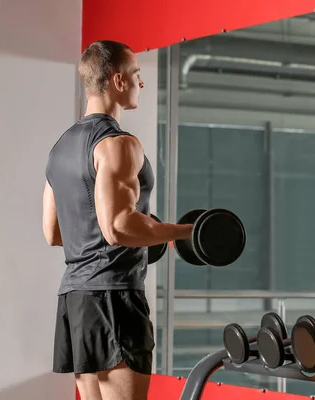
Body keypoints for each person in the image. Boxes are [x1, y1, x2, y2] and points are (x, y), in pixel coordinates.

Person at [42, 40, 192, 400]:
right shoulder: (119, 144)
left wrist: (140, 230)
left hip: (75, 297)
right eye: (137, 75)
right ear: (118, 80)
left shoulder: (60, 147)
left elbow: (54, 232)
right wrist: (184, 232)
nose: (141, 83)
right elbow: (119, 227)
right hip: (115, 296)